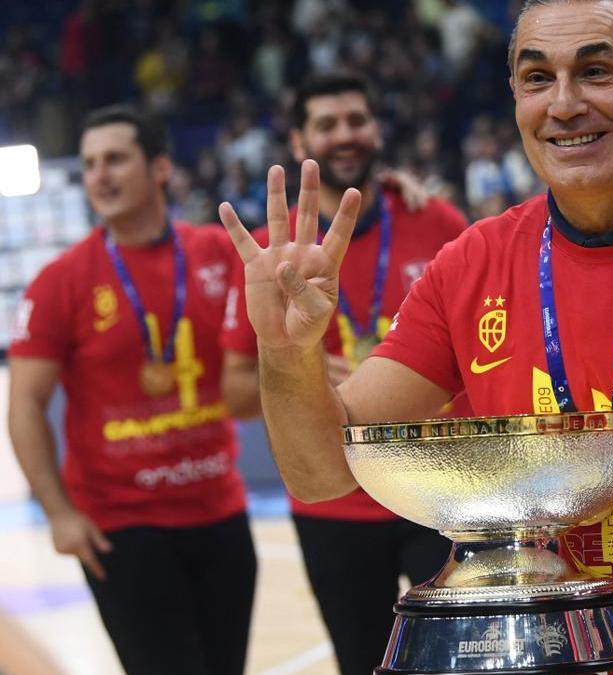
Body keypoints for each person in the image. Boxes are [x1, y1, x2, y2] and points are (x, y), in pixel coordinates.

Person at [219, 1, 613, 673]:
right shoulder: (472, 264)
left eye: (595, 70)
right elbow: (320, 472)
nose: (564, 103)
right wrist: (288, 354)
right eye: (536, 78)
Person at [221, 72, 468, 675]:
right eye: (326, 124)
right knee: (362, 663)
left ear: (376, 128)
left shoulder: (435, 220)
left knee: (466, 662)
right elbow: (231, 392)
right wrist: (299, 368)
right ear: (300, 137)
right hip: (335, 509)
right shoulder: (268, 258)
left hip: (436, 495)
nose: (344, 134)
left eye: (356, 119)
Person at [6, 105, 256, 675]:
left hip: (220, 514)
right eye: (91, 163)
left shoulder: (217, 253)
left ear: (161, 168)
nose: (100, 175)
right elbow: (23, 404)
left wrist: (391, 189)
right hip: (123, 530)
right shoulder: (61, 281)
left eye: (116, 158)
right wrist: (58, 514)